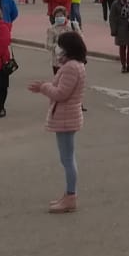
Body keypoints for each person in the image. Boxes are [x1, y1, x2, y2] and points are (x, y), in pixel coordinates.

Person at [29, 30, 87, 213]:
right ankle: (68, 195)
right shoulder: (74, 65)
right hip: (66, 115)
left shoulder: (71, 67)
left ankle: (71, 196)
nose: (58, 48)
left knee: (67, 159)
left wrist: (43, 87)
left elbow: (62, 93)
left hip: (66, 117)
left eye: (61, 45)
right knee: (66, 158)